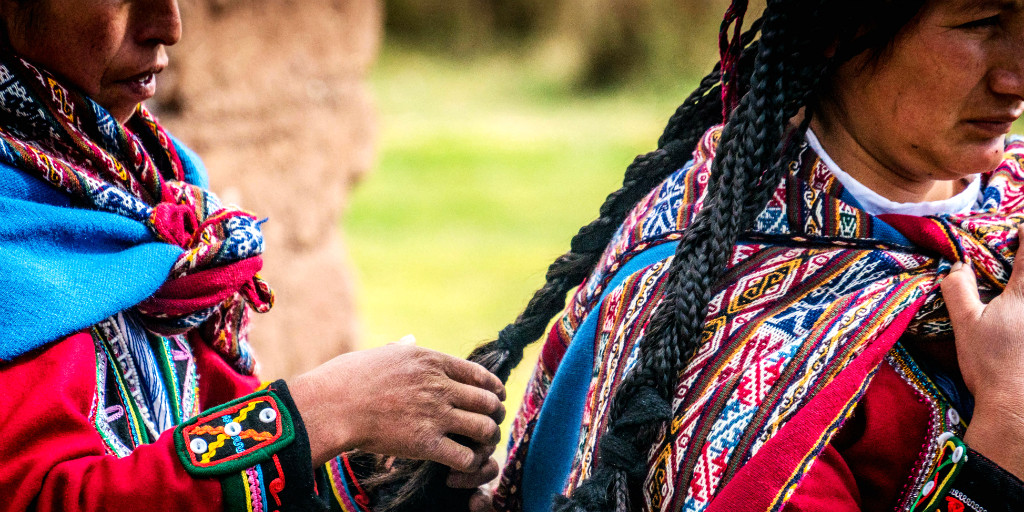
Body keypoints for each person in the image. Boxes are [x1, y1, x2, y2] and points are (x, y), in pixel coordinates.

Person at [367, 0, 1024, 511]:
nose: (1016, 71)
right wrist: (1005, 427)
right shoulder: (704, 308)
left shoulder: (1010, 211)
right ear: (836, 27)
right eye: (983, 20)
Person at [0, 0, 506, 511]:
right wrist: (323, 410)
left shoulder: (153, 185)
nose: (168, 28)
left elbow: (208, 430)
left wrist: (372, 482)